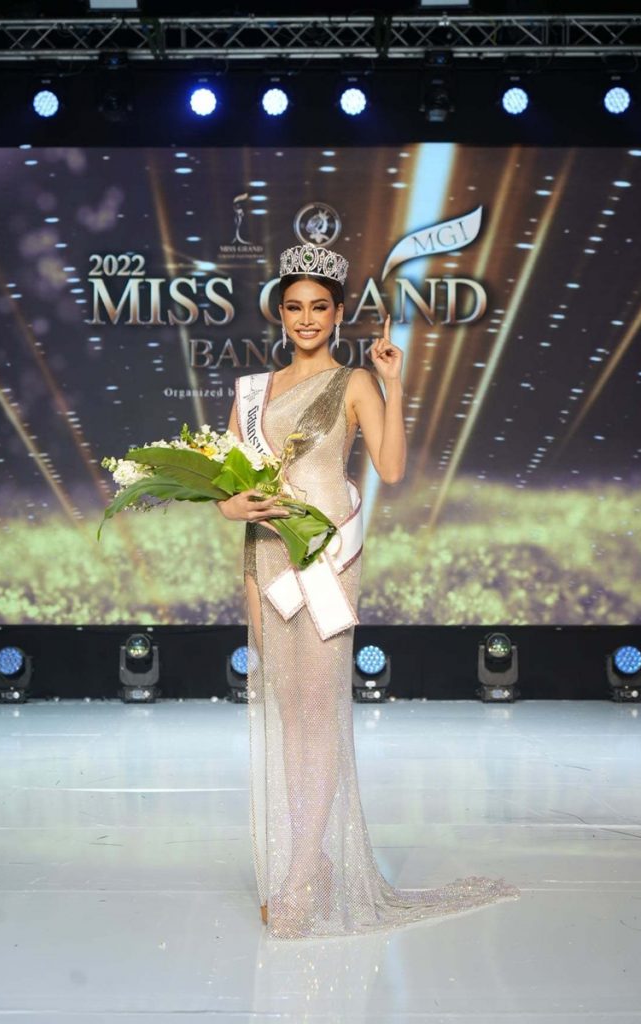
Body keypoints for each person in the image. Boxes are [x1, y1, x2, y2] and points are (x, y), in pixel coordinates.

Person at [217, 243, 520, 939]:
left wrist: (393, 382)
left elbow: (391, 465)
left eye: (319, 307)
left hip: (326, 560)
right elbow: (226, 485)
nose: (306, 319)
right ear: (280, 313)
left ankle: (300, 875)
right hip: (266, 560)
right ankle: (311, 859)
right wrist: (233, 508)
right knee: (288, 715)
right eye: (294, 307)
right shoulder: (252, 392)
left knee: (319, 713)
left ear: (338, 312)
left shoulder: (352, 382)